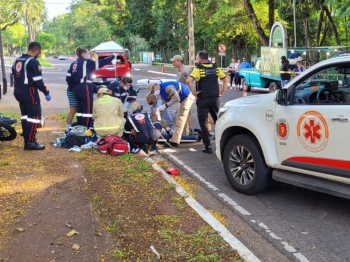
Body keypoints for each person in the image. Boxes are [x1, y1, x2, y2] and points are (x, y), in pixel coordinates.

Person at [186, 50, 228, 154]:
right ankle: (221, 145)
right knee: (218, 121)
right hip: (214, 99)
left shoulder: (198, 69)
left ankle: (208, 146)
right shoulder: (216, 68)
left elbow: (188, 80)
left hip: (203, 99)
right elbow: (225, 80)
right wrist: (221, 93)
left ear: (199, 59)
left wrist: (194, 92)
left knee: (203, 123)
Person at [12, 41, 51, 150]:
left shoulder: (17, 60)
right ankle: (30, 142)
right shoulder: (33, 62)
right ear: (37, 50)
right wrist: (46, 92)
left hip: (18, 91)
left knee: (25, 116)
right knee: (34, 117)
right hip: (29, 92)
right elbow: (38, 81)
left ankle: (26, 135)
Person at [66, 48, 115, 128]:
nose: (88, 55)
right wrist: (112, 56)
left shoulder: (73, 64)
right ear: (83, 54)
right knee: (87, 109)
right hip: (85, 86)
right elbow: (101, 63)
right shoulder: (87, 62)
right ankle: (86, 129)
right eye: (87, 53)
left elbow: (68, 79)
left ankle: (80, 126)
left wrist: (74, 86)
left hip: (76, 88)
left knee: (80, 109)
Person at [147, 81, 194, 148]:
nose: (153, 94)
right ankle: (185, 135)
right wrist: (159, 110)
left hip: (187, 97)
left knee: (180, 117)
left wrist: (165, 106)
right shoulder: (161, 93)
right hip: (183, 98)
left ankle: (175, 141)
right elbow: (163, 105)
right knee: (185, 116)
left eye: (152, 92)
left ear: (155, 86)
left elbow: (176, 98)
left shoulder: (167, 88)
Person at [170, 54, 192, 135]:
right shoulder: (179, 69)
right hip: (181, 95)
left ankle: (186, 133)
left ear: (179, 61)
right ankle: (185, 131)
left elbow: (188, 82)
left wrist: (190, 94)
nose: (173, 63)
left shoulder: (185, 71)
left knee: (184, 113)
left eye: (174, 61)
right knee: (185, 113)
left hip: (186, 95)